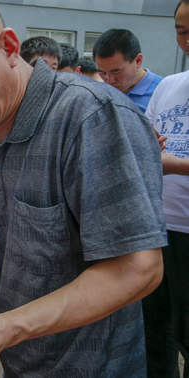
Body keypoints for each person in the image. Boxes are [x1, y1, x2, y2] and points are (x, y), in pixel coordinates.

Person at [0, 0, 166, 377]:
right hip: (24, 360)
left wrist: (7, 326)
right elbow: (7, 223)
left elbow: (139, 268)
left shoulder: (90, 117)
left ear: (9, 48)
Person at [142, 2, 189, 376]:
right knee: (155, 329)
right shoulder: (170, 87)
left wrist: (174, 165)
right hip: (160, 227)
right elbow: (146, 142)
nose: (187, 40)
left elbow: (166, 161)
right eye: (182, 30)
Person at [93, 28, 163, 113]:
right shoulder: (99, 93)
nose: (110, 80)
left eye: (116, 71)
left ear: (138, 61)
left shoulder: (164, 91)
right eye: (102, 72)